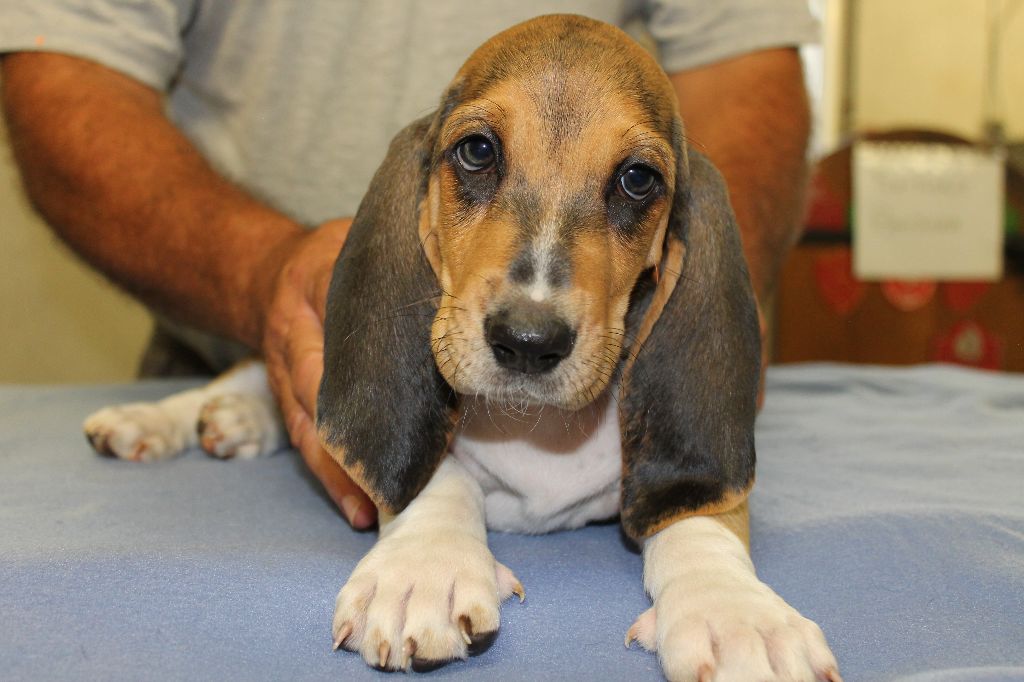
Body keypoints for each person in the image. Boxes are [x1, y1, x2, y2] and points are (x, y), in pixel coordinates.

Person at [0, 2, 817, 529]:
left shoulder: (679, 253)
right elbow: (64, 65)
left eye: (635, 179)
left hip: (623, 364)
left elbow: (744, 63)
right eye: (478, 153)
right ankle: (244, 391)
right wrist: (261, 275)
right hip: (227, 330)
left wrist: (703, 326)